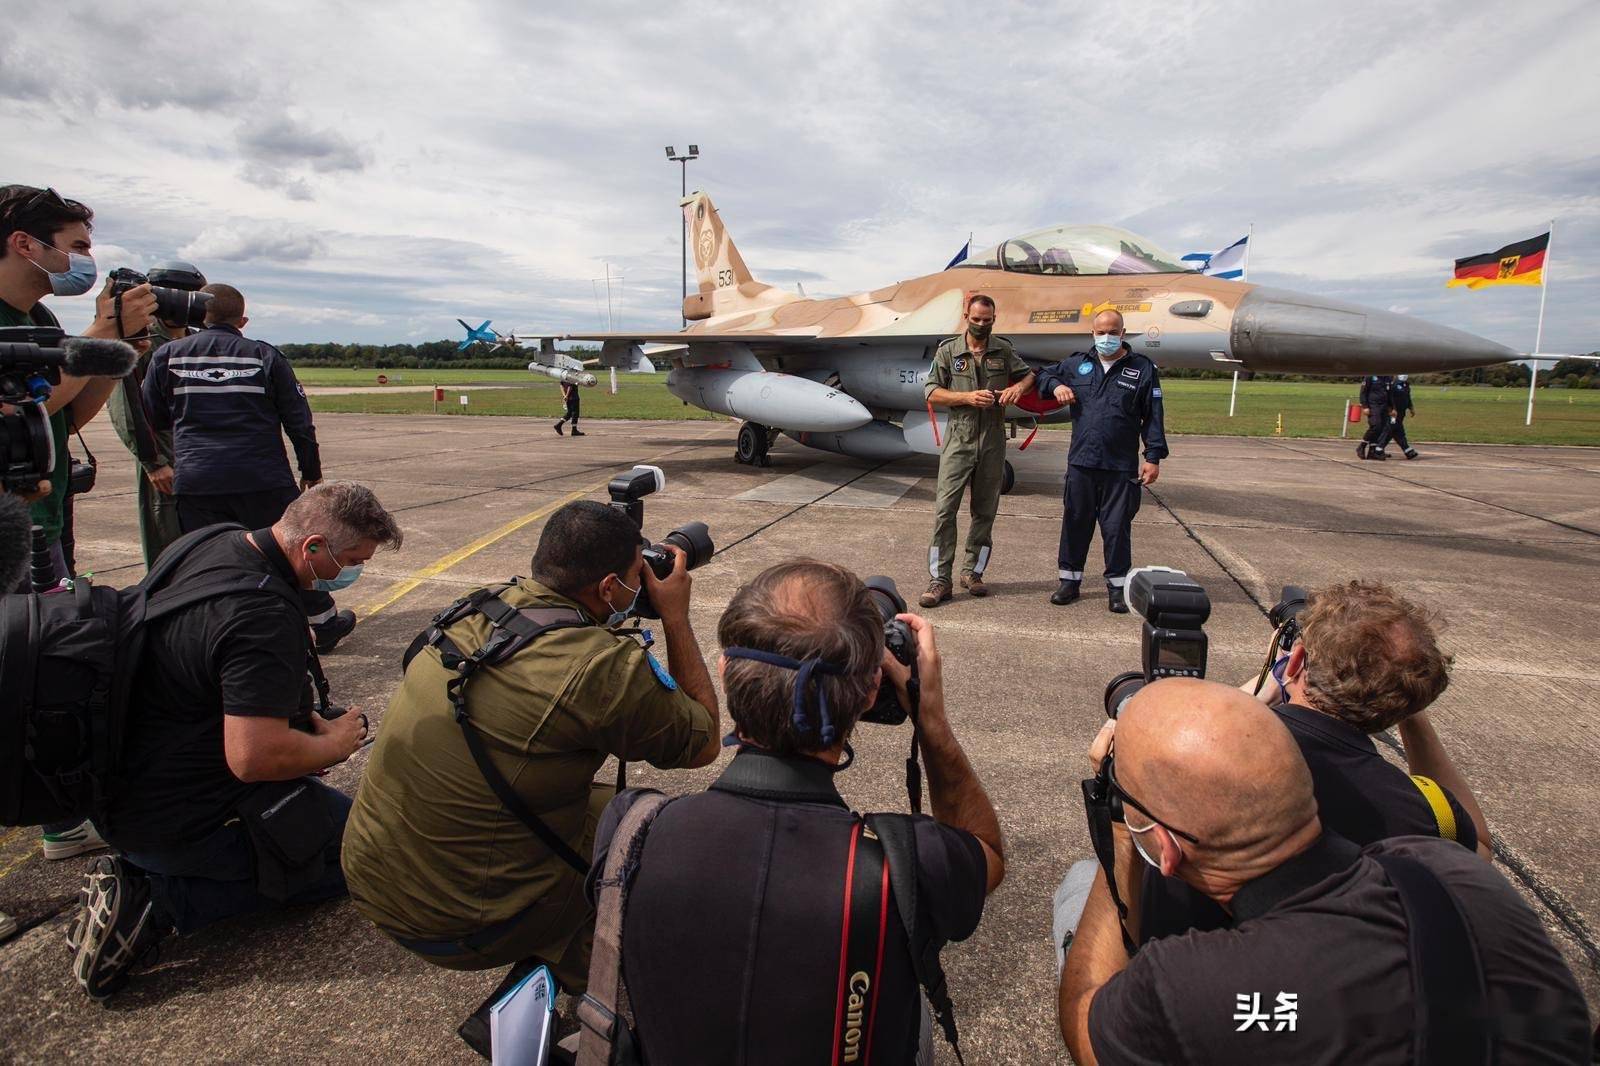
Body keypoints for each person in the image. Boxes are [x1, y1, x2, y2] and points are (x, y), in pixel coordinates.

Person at [585, 560, 1004, 1064]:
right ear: (871, 692)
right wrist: (931, 718)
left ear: (724, 672)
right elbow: (986, 853)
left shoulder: (631, 830)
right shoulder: (906, 865)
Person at [1057, 678, 1592, 1064]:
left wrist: (1121, 837)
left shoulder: (1187, 984)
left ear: (1166, 850)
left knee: (1079, 888)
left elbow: (1085, 1026)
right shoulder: (1455, 872)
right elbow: (1477, 842)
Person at [341, 500, 719, 991]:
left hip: (373, 879)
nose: (640, 581)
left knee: (616, 806)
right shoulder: (600, 669)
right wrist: (675, 616)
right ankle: (582, 955)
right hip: (464, 924)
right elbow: (703, 740)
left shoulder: (480, 606)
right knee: (671, 836)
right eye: (634, 573)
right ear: (608, 587)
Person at [71, 482, 401, 999]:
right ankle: (156, 900)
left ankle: (156, 871)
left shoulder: (212, 542)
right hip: (179, 814)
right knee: (367, 854)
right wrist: (336, 744)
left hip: (120, 777)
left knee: (339, 821)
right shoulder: (261, 615)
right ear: (312, 546)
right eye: (352, 559)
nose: (352, 572)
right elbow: (255, 757)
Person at [1130, 579, 1492, 944]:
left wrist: (1272, 683)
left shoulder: (1208, 764)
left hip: (1182, 967)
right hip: (1328, 974)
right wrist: (1412, 715)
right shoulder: (1428, 809)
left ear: (1297, 661)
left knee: (1084, 879)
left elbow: (1189, 733)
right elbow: (1478, 847)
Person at [0, 184, 157, 868]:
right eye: (77, 247)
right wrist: (95, 334)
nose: (84, 261)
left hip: (45, 516)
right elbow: (20, 397)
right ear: (25, 244)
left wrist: (113, 352)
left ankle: (56, 809)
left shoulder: (35, 316)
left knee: (41, 667)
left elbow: (64, 415)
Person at [142, 283, 354, 651]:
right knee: (288, 554)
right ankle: (321, 624)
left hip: (198, 480)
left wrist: (164, 455)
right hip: (263, 478)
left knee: (210, 560)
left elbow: (152, 416)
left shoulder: (169, 356)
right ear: (243, 319)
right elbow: (299, 422)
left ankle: (216, 636)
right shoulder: (264, 356)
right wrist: (311, 472)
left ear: (199, 316)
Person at [1034, 309, 1167, 612]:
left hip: (1120, 466)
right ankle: (1069, 581)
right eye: (1100, 331)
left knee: (1117, 528)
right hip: (1081, 462)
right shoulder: (1078, 364)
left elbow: (1153, 416)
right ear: (1092, 333)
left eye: (1112, 331)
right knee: (1075, 523)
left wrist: (1153, 456)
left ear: (1122, 333)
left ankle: (1117, 588)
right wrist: (1057, 386)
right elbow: (1042, 374)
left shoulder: (1142, 369)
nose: (1105, 337)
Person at [919, 293, 1035, 607]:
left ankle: (972, 572)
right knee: (945, 511)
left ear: (994, 319)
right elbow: (931, 391)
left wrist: (1016, 388)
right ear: (966, 316)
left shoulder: (1003, 350)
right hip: (959, 440)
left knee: (985, 512)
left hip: (993, 441)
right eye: (976, 319)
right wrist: (966, 398)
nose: (981, 325)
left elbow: (1028, 376)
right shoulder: (949, 351)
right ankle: (939, 579)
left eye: (987, 320)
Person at [107, 261, 205, 569]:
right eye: (195, 297)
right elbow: (125, 403)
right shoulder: (141, 341)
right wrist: (152, 461)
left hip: (202, 453)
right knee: (168, 539)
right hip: (164, 452)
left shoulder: (198, 340)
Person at [1356, 373, 1394, 460]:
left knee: (1381, 428)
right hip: (1373, 405)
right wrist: (1365, 406)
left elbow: (1390, 394)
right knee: (1376, 425)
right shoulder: (1370, 376)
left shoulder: (1387, 377)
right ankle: (1362, 446)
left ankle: (1372, 451)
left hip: (1384, 406)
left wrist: (1392, 408)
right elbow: (1363, 392)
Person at [1388, 373, 1419, 459]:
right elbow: (1390, 398)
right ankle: (1407, 450)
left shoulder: (1406, 384)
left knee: (1393, 430)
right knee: (1392, 429)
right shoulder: (1394, 384)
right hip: (1394, 413)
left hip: (1401, 412)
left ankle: (1379, 448)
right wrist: (1391, 409)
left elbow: (1407, 397)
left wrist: (1411, 407)